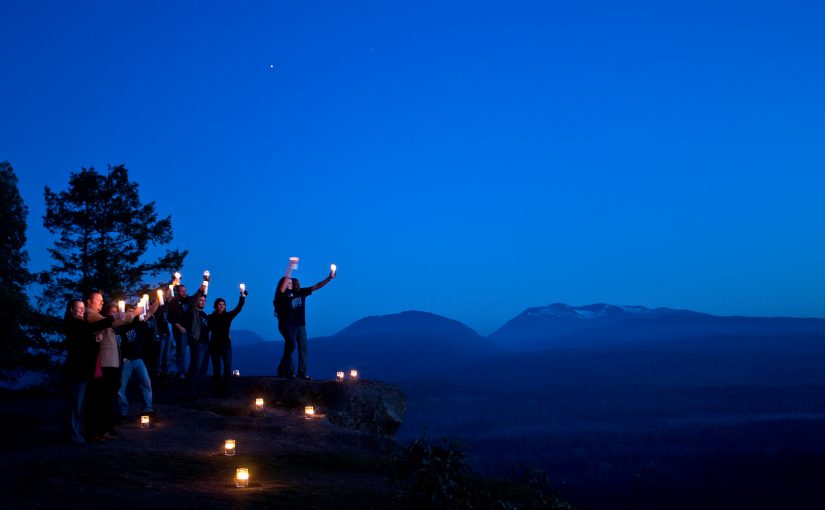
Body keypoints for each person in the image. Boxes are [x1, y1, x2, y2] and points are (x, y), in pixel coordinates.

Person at [273, 261, 335, 380]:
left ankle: (302, 373)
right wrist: (290, 267)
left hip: (300, 325)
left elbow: (317, 286)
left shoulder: (301, 293)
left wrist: (329, 278)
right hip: (288, 325)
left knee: (303, 348)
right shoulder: (282, 295)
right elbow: (283, 288)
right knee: (291, 347)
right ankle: (289, 372)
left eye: (293, 282)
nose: (292, 284)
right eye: (289, 282)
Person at [63, 299, 114, 444]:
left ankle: (75, 433)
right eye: (78, 308)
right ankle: (73, 435)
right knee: (75, 403)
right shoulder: (74, 324)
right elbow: (83, 341)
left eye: (83, 308)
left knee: (78, 403)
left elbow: (86, 343)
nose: (81, 310)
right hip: (77, 370)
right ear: (71, 309)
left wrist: (95, 340)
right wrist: (112, 318)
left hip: (83, 370)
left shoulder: (80, 325)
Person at [116, 305, 156, 419]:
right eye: (128, 312)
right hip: (126, 361)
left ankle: (148, 408)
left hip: (138, 359)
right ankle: (123, 411)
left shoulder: (138, 323)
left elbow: (151, 311)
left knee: (146, 383)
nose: (131, 314)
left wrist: (159, 299)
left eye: (132, 312)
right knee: (121, 387)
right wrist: (122, 356)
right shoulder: (121, 326)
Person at [208, 289, 247, 396]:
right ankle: (217, 389)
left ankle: (226, 389)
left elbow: (239, 308)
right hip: (214, 345)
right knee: (216, 367)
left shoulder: (228, 316)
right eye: (220, 304)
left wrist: (242, 296)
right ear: (216, 306)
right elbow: (206, 328)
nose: (222, 306)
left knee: (227, 366)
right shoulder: (210, 317)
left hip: (225, 344)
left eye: (223, 304)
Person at [187, 293, 211, 398]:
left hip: (206, 344)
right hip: (197, 343)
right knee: (196, 367)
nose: (203, 302)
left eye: (204, 301)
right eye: (201, 300)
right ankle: (192, 392)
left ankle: (202, 391)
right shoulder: (193, 312)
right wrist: (202, 289)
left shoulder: (205, 315)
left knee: (204, 368)